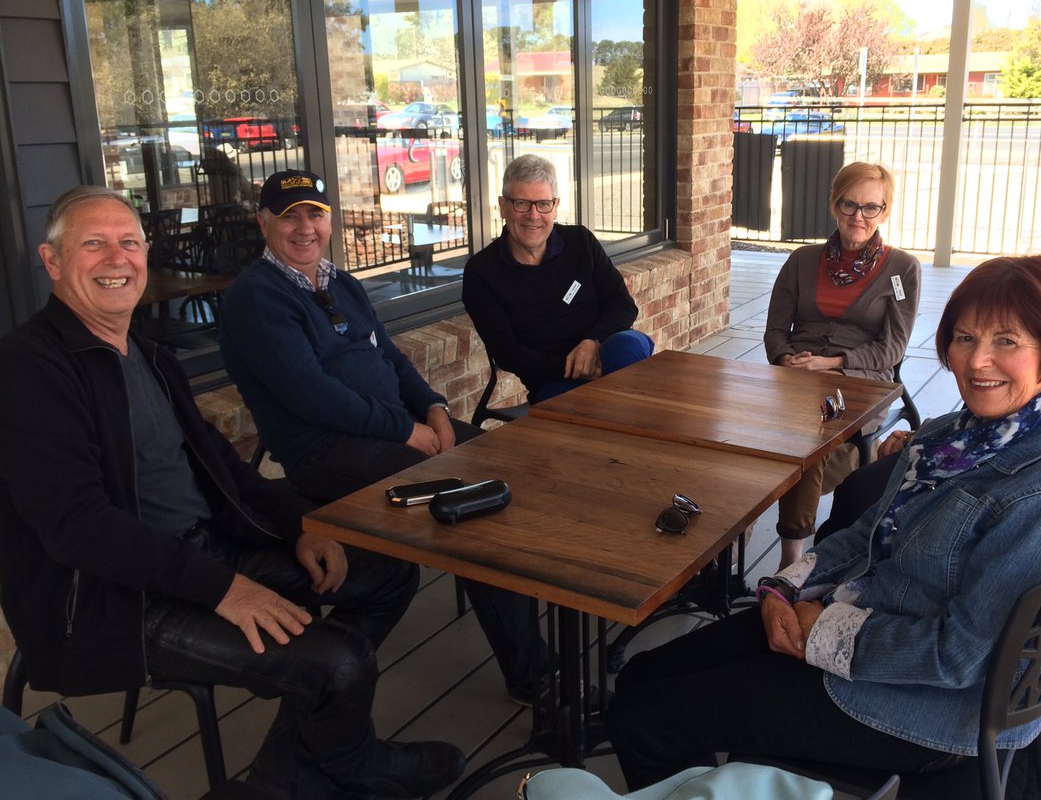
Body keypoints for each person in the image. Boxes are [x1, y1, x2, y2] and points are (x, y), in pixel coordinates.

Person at [0, 187, 464, 799]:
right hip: (114, 600)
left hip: (203, 552)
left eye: (129, 243)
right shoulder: (30, 369)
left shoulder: (148, 354)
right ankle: (347, 766)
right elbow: (80, 526)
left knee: (385, 574)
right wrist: (225, 589)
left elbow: (224, 466)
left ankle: (294, 766)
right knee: (337, 661)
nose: (117, 259)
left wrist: (303, 526)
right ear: (52, 260)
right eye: (94, 244)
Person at [605, 255, 1041, 791]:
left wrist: (819, 635)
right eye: (964, 338)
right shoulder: (955, 436)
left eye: (1007, 342)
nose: (976, 361)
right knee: (641, 676)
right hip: (860, 618)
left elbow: (961, 656)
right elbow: (866, 532)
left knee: (647, 720)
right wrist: (785, 589)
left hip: (923, 706)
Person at [218, 169, 548, 707]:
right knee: (478, 506)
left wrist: (435, 411)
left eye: (314, 214)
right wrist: (407, 430)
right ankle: (532, 673)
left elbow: (391, 358)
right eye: (289, 216)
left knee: (509, 464)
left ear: (329, 222)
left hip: (396, 430)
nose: (304, 228)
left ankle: (532, 632)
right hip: (323, 452)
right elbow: (311, 395)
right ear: (263, 223)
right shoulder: (257, 297)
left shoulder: (340, 282)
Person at [817, 200, 1041, 542]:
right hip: (996, 451)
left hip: (1039, 498)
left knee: (865, 496)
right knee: (858, 488)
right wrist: (925, 440)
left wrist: (933, 448)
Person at [762, 161, 920, 566]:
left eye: (871, 207)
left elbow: (893, 348)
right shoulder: (801, 261)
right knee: (740, 435)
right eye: (849, 204)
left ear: (885, 212)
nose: (858, 216)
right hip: (795, 375)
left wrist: (834, 363)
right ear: (835, 205)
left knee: (810, 443)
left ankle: (791, 556)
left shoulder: (902, 268)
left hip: (859, 378)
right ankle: (735, 521)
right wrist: (785, 359)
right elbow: (775, 330)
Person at [462, 154, 653, 403]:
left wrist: (592, 343)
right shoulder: (482, 272)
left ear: (555, 206)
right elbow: (508, 354)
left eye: (543, 204)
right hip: (553, 379)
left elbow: (622, 304)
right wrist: (574, 366)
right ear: (503, 206)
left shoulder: (580, 242)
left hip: (607, 353)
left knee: (629, 346)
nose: (533, 215)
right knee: (610, 405)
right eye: (521, 203)